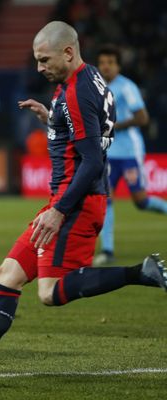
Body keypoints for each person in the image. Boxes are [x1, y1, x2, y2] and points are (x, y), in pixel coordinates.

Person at [0, 21, 166, 393]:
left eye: (44, 59)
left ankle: (138, 272)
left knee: (50, 292)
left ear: (68, 52)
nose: (39, 68)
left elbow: (93, 160)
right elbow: (90, 131)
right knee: (7, 275)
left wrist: (60, 210)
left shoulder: (79, 92)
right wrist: (53, 119)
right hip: (66, 200)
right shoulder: (90, 79)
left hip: (75, 204)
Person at [93, 45, 167, 266]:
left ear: (118, 65)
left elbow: (143, 118)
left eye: (110, 63)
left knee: (141, 202)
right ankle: (107, 250)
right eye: (102, 62)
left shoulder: (127, 87)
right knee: (106, 199)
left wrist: (113, 125)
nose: (106, 67)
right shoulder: (96, 88)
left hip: (129, 152)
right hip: (108, 152)